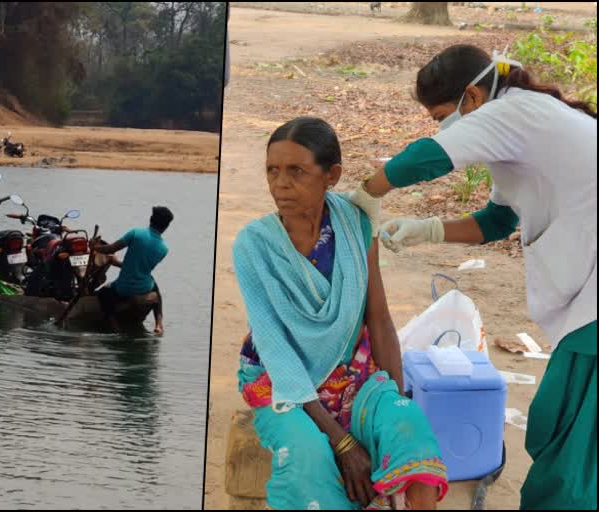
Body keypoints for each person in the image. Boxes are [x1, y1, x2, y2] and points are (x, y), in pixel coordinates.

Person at [346, 45, 596, 510]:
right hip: (586, 301)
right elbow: (497, 223)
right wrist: (428, 230)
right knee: (564, 429)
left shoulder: (515, 113)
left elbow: (428, 157)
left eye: (443, 114)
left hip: (593, 308)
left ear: (472, 97)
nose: (442, 125)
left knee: (568, 441)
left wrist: (367, 191)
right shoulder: (522, 125)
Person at [233, 117, 448, 510]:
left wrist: (392, 397)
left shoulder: (354, 226)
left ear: (331, 175)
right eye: (273, 171)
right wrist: (343, 440)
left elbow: (378, 319)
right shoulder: (254, 245)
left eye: (296, 171)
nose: (280, 184)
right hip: (280, 379)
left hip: (352, 371)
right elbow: (276, 349)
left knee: (408, 428)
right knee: (309, 459)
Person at [93, 206, 173, 335]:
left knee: (103, 294)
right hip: (144, 287)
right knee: (156, 291)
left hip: (124, 288)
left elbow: (110, 249)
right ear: (166, 227)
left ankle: (114, 326)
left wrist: (95, 247)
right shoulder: (164, 249)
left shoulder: (136, 233)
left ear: (151, 219)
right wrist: (117, 262)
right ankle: (159, 324)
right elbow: (139, 267)